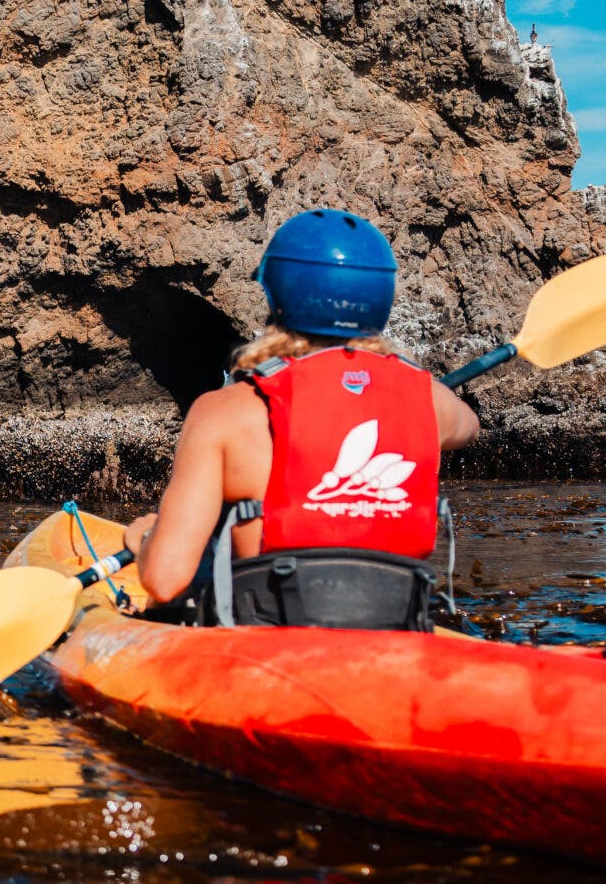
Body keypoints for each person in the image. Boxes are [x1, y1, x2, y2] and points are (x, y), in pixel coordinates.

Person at [119, 210, 481, 630]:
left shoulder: (227, 411)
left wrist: (144, 540)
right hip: (395, 626)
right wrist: (398, 385)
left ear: (278, 294)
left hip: (271, 636)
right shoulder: (430, 400)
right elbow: (469, 426)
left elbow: (165, 581)